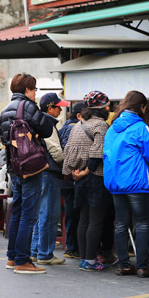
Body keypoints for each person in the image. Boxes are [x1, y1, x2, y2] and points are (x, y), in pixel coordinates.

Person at [0, 73, 55, 275]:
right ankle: (23, 260)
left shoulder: (5, 111)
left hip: (14, 167)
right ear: (27, 90)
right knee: (29, 214)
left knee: (18, 211)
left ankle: (12, 257)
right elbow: (47, 130)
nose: (35, 93)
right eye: (34, 89)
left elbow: (5, 139)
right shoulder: (28, 107)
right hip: (31, 167)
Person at [103, 90, 149, 277]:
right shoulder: (140, 127)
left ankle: (124, 265)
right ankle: (143, 266)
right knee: (142, 223)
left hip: (116, 183)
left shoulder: (112, 128)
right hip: (136, 181)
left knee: (121, 224)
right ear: (142, 107)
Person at [62, 90, 113, 272]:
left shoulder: (78, 124)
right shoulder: (100, 125)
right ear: (101, 108)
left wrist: (74, 172)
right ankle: (91, 260)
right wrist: (86, 171)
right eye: (107, 105)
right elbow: (97, 153)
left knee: (83, 219)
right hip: (94, 177)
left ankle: (84, 258)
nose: (109, 108)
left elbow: (68, 150)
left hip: (78, 177)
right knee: (96, 220)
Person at [31, 93, 70, 265]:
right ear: (49, 107)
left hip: (41, 173)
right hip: (49, 173)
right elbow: (55, 151)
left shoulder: (38, 121)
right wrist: (67, 165)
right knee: (49, 215)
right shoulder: (47, 123)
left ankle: (34, 251)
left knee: (41, 214)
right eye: (57, 106)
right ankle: (45, 254)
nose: (60, 109)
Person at [57, 102, 85, 259]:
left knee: (71, 213)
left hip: (66, 179)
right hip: (72, 178)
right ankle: (72, 247)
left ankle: (72, 246)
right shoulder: (74, 129)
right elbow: (70, 153)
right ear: (79, 115)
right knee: (74, 214)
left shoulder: (64, 127)